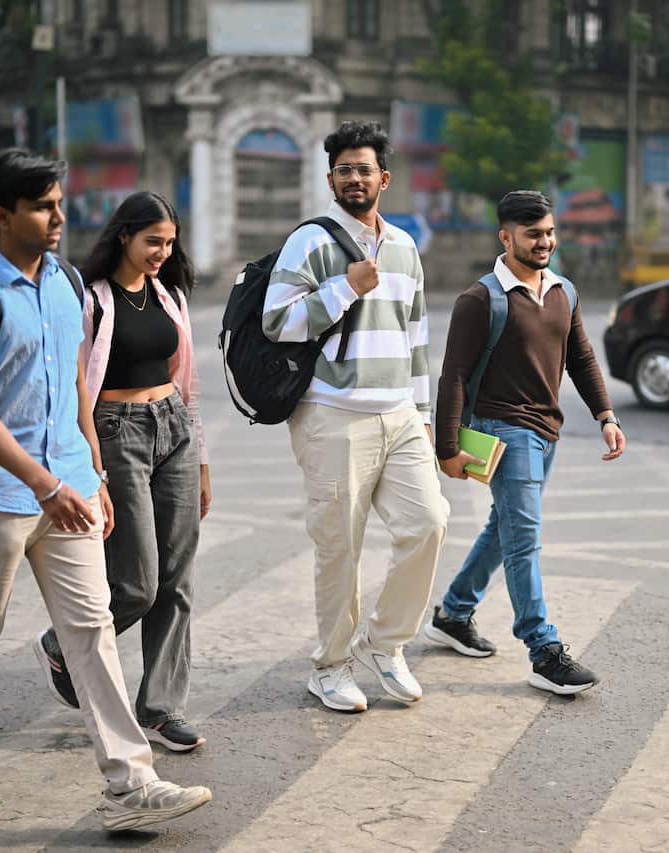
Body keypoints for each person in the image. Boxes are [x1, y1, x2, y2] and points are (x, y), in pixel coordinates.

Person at [0, 149, 210, 832]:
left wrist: (93, 473)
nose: (60, 216)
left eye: (59, 202)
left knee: (92, 633)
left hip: (69, 491)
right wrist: (46, 482)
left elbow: (77, 394)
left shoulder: (61, 284)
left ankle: (130, 780)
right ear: (3, 215)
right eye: (43, 206)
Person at [263, 121, 449, 713]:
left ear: (383, 179)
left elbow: (417, 336)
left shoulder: (403, 246)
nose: (353, 178)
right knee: (339, 547)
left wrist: (422, 411)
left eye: (363, 168)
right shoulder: (310, 243)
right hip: (332, 416)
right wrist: (344, 287)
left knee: (430, 522)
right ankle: (331, 666)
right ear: (331, 179)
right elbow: (277, 321)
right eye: (343, 169)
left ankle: (386, 644)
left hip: (398, 414)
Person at [426, 190, 626, 695]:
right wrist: (446, 449)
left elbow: (579, 357)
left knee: (504, 527)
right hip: (503, 430)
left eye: (550, 233)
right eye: (534, 234)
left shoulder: (564, 291)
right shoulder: (481, 299)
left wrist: (605, 414)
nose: (545, 242)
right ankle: (543, 649)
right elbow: (453, 377)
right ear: (506, 236)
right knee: (523, 541)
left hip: (546, 430)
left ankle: (453, 613)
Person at [34, 191, 211, 753]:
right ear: (124, 237)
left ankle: (160, 710)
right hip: (117, 433)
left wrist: (201, 458)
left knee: (178, 580)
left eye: (169, 243)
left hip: (173, 429)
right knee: (138, 582)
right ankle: (63, 643)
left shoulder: (169, 294)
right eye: (152, 241)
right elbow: (77, 393)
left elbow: (189, 382)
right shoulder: (93, 299)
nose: (162, 252)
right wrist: (95, 474)